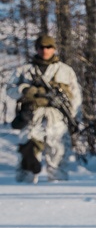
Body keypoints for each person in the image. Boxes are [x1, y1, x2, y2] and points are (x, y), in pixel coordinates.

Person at [6, 35, 81, 183]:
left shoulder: (65, 71)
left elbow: (76, 98)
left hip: (57, 119)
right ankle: (23, 194)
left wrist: (74, 118)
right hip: (32, 117)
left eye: (48, 47)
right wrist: (24, 89)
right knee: (28, 158)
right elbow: (9, 89)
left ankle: (58, 196)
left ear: (54, 48)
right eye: (41, 47)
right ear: (36, 49)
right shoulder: (25, 70)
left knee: (57, 158)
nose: (45, 50)